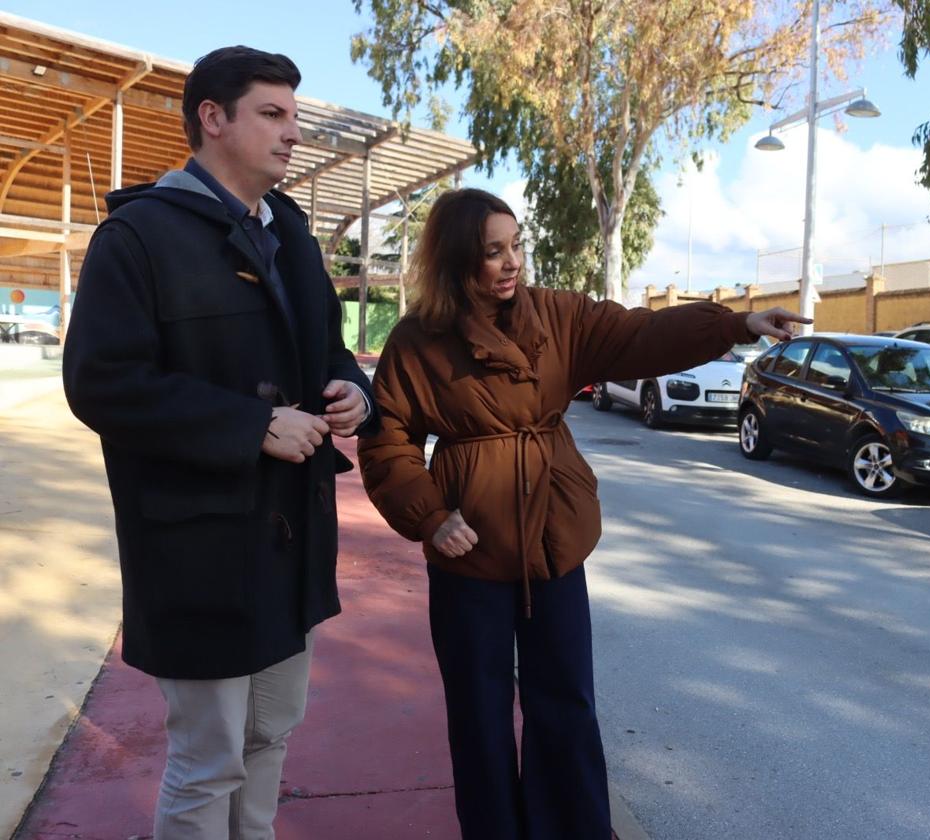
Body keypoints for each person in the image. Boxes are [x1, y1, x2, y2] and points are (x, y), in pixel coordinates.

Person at [357, 187, 807, 839]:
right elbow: (387, 437)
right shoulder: (417, 341)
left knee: (566, 705)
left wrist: (736, 325)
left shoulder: (558, 317)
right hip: (467, 557)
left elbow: (642, 335)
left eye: (516, 245)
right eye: (493, 251)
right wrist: (429, 514)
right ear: (458, 261)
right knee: (479, 716)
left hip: (554, 544)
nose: (512, 262)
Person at [62, 46, 376, 839]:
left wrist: (352, 390)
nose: (293, 134)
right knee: (209, 761)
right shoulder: (137, 237)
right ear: (213, 118)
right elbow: (100, 382)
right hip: (198, 549)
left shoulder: (295, 238)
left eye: (294, 117)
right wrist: (252, 426)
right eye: (273, 114)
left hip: (291, 542)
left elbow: (330, 352)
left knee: (270, 737)